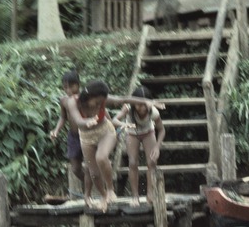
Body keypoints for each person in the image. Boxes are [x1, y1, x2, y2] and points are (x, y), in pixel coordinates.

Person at [63, 80, 164, 212]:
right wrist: (87, 121)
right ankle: (104, 195)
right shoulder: (73, 102)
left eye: (101, 103)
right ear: (90, 96)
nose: (99, 105)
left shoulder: (103, 99)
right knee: (93, 172)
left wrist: (147, 101)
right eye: (97, 102)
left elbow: (123, 99)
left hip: (105, 131)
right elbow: (77, 120)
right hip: (86, 136)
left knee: (101, 157)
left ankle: (111, 189)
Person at [112, 86, 165, 206]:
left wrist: (157, 146)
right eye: (138, 104)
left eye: (143, 104)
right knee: (132, 163)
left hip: (148, 133)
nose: (141, 108)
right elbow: (114, 120)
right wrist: (124, 124)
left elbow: (161, 130)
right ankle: (135, 196)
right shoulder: (128, 108)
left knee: (152, 162)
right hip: (132, 134)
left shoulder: (154, 112)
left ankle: (150, 194)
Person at [49, 70, 92, 198]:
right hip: (73, 137)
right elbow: (63, 117)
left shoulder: (84, 98)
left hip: (87, 135)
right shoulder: (64, 101)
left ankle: (88, 194)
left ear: (78, 85)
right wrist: (56, 130)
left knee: (89, 166)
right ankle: (89, 182)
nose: (69, 90)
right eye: (65, 88)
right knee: (75, 169)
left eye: (72, 86)